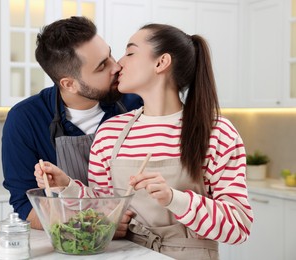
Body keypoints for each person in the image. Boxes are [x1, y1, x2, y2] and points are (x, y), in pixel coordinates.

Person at [35, 23, 253, 259]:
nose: (119, 63)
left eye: (130, 53)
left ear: (161, 63)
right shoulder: (110, 132)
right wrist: (66, 186)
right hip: (127, 253)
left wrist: (174, 199)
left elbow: (238, 227)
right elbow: (105, 209)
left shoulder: (217, 132)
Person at [1, 16, 142, 230]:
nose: (117, 66)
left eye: (110, 54)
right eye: (102, 66)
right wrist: (97, 226)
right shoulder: (25, 119)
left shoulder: (136, 104)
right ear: (69, 84)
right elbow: (26, 206)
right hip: (70, 244)